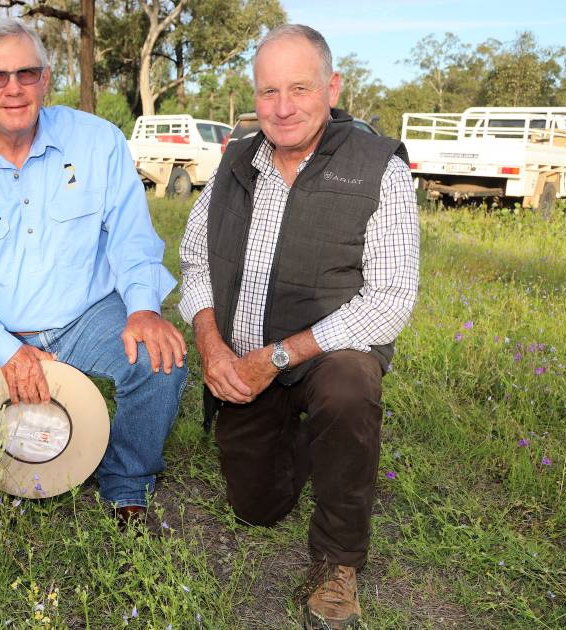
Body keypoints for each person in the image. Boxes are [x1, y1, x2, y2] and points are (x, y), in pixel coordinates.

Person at [178, 24, 419, 630]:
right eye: (267, 92)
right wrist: (212, 347)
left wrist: (279, 358)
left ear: (332, 88)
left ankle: (338, 565)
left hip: (325, 352)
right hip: (244, 358)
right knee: (254, 509)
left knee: (349, 388)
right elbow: (195, 262)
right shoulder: (235, 164)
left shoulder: (376, 167)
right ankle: (312, 443)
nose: (282, 108)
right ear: (253, 98)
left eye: (300, 88)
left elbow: (390, 299)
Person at [0, 18, 186, 528]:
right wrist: (7, 350)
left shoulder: (98, 142)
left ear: (46, 78)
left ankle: (127, 484)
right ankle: (33, 451)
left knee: (160, 360)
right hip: (4, 329)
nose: (13, 88)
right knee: (14, 453)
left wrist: (145, 310)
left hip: (87, 313)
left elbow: (131, 237)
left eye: (26, 73)